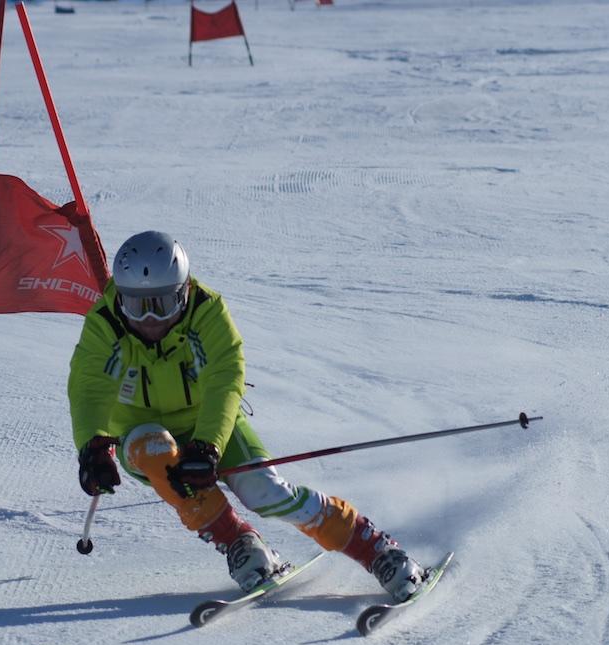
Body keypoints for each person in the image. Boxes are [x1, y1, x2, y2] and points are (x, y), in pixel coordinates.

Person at [68, 230, 425, 601]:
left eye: (163, 304)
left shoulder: (206, 313)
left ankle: (375, 548)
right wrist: (92, 447)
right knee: (160, 457)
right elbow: (88, 386)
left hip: (210, 422)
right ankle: (239, 543)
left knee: (264, 492)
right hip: (140, 434)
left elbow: (224, 379)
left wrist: (208, 446)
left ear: (184, 292)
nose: (151, 319)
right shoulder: (106, 323)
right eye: (137, 305)